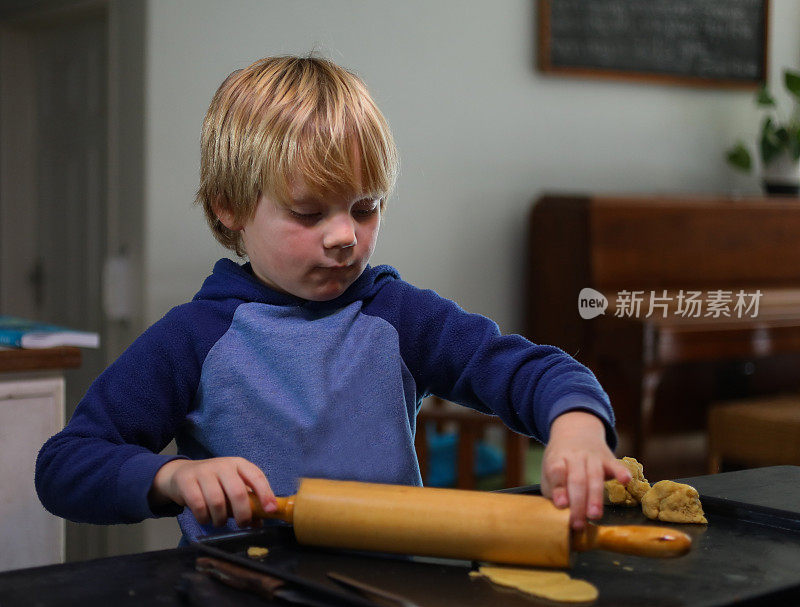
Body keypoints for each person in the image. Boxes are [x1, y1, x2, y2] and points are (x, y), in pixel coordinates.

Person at [36, 55, 630, 543]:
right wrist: (170, 475)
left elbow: (528, 369)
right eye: (308, 212)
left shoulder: (398, 316)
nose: (346, 235)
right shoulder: (192, 339)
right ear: (230, 207)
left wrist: (576, 425)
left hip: (391, 582)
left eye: (364, 208)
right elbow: (66, 465)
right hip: (245, 587)